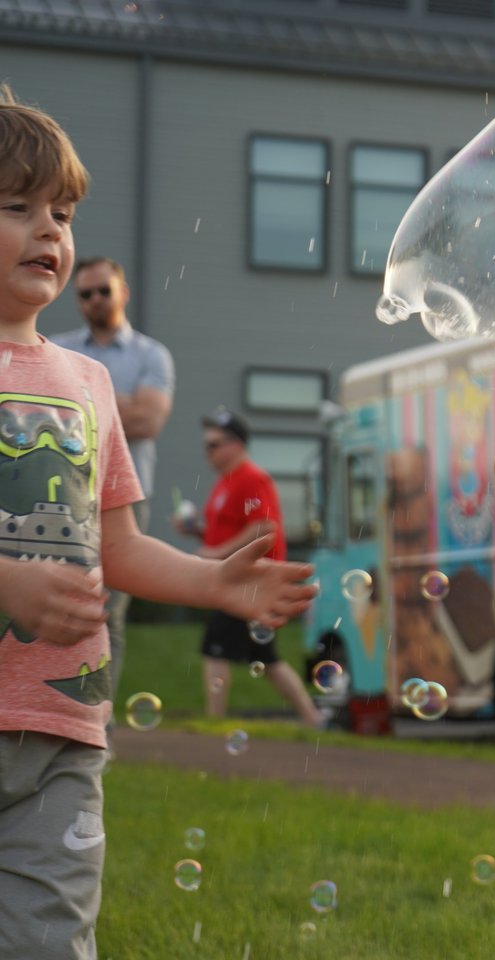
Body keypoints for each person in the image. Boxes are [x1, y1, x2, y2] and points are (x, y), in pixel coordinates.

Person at [0, 86, 316, 960]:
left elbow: (119, 544)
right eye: (18, 207)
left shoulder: (89, 381)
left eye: (60, 212)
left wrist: (212, 576)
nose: (50, 231)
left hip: (63, 724)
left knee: (52, 936)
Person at [52, 255, 175, 708]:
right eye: (85, 294)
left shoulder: (151, 354)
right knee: (53, 606)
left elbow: (149, 420)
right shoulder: (59, 347)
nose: (95, 300)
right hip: (62, 495)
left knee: (110, 615)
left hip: (123, 499)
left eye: (104, 290)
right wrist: (114, 403)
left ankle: (98, 714)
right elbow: (132, 413)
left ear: (124, 292)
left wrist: (77, 402)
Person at [174, 407, 323, 728]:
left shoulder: (251, 479)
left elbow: (263, 527)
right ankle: (312, 719)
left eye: (214, 445)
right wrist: (199, 533)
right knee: (266, 659)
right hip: (237, 579)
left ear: (237, 444)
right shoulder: (226, 483)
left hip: (247, 581)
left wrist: (215, 552)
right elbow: (234, 530)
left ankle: (216, 720)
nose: (207, 452)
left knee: (218, 651)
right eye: (206, 445)